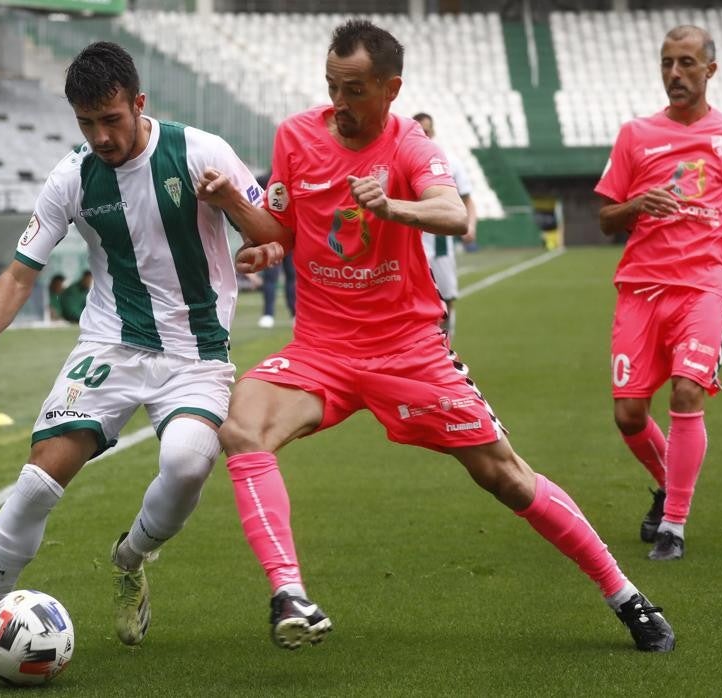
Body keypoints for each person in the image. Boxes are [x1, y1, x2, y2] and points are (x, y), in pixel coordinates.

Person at [196, 20, 674, 653]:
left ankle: (626, 596)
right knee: (242, 428)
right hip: (321, 351)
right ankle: (290, 594)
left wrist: (394, 207)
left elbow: (450, 212)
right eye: (333, 88)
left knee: (506, 476)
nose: (340, 104)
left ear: (391, 89)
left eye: (357, 91)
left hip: (409, 351)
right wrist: (241, 212)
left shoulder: (410, 145)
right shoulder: (295, 136)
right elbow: (280, 230)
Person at [0, 40, 268, 663]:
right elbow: (21, 271)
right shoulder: (72, 176)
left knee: (186, 466)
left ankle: (130, 559)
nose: (101, 136)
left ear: (139, 103)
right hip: (110, 345)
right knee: (38, 477)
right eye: (86, 123)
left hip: (196, 352)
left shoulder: (201, 151)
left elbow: (274, 232)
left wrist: (233, 203)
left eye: (112, 119)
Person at [596, 25, 722, 562]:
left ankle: (674, 525)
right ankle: (670, 481)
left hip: (704, 286)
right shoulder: (635, 135)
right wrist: (638, 203)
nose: (675, 74)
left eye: (687, 63)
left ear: (709, 70)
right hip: (641, 287)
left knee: (687, 394)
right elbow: (605, 219)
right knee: (628, 414)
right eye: (667, 63)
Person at [412, 112, 477, 340]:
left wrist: (471, 225)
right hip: (412, 240)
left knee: (447, 296)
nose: (424, 135)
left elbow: (467, 199)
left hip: (440, 242)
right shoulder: (401, 157)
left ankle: (447, 343)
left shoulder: (449, 160)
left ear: (434, 132)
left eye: (427, 131)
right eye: (420, 131)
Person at [255, 173, 295, 329]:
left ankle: (295, 313)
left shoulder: (294, 178)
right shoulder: (264, 180)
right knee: (270, 277)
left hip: (291, 236)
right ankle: (268, 314)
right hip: (271, 238)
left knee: (292, 276)